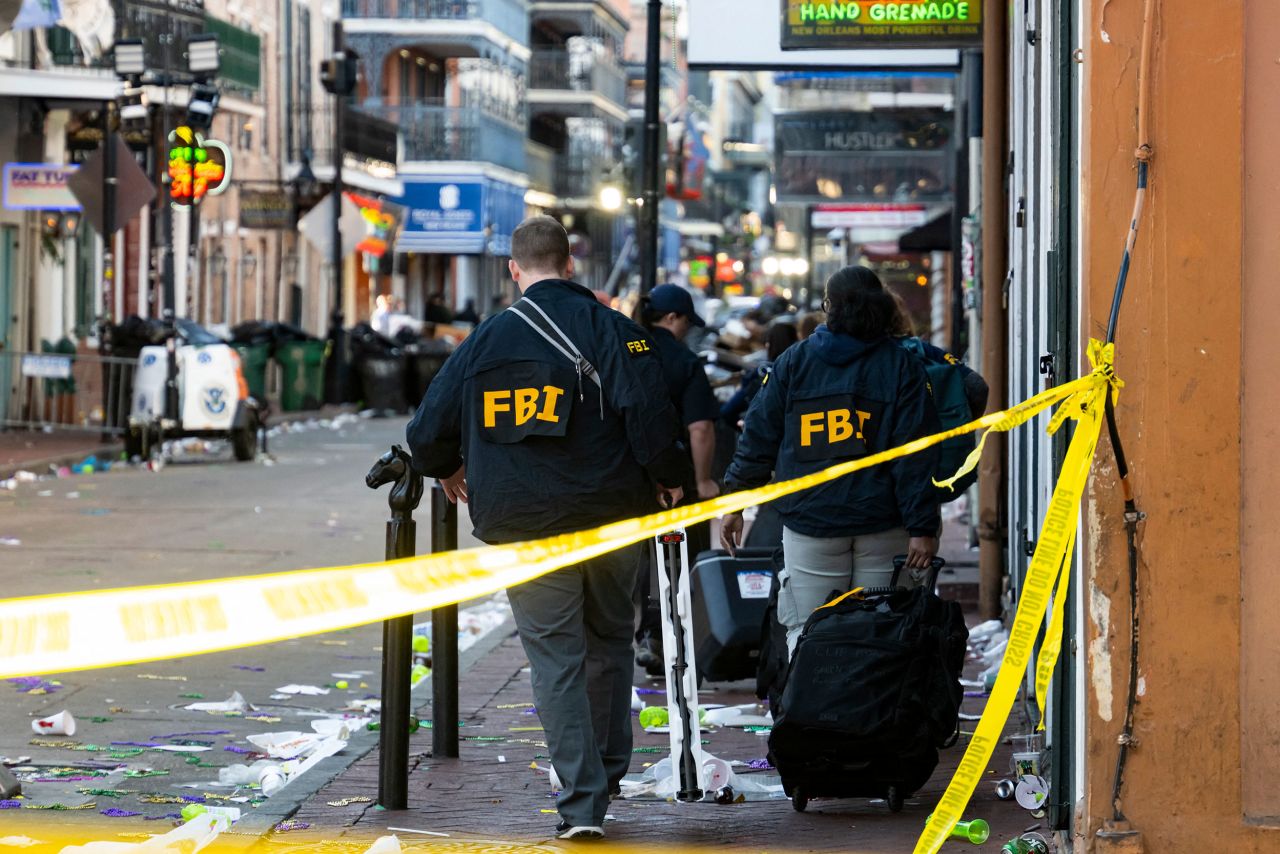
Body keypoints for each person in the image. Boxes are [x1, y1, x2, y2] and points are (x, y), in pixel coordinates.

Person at [406, 216, 689, 841]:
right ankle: (609, 770)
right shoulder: (617, 331)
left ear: (514, 270)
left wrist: (449, 467)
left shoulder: (483, 342)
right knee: (611, 640)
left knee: (556, 659)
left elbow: (425, 431)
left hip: (525, 523)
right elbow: (649, 413)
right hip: (612, 516)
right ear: (570, 264)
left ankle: (583, 802)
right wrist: (670, 479)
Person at [718, 265, 942, 653]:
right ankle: (871, 713)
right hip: (882, 521)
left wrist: (736, 501)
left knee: (808, 632)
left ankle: (812, 712)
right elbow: (916, 453)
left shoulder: (795, 362)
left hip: (811, 521)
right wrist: (922, 527)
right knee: (880, 633)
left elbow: (759, 435)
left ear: (829, 307)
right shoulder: (901, 365)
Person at [631, 283, 720, 675]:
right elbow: (700, 428)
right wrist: (704, 482)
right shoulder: (684, 361)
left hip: (628, 477)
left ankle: (645, 633)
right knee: (681, 556)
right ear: (672, 318)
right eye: (686, 321)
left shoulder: (626, 350)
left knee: (637, 557)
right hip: (677, 477)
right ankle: (680, 637)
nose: (687, 329)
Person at [720, 322, 799, 427]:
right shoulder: (803, 370)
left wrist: (745, 430)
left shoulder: (762, 373)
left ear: (769, 344)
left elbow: (727, 411)